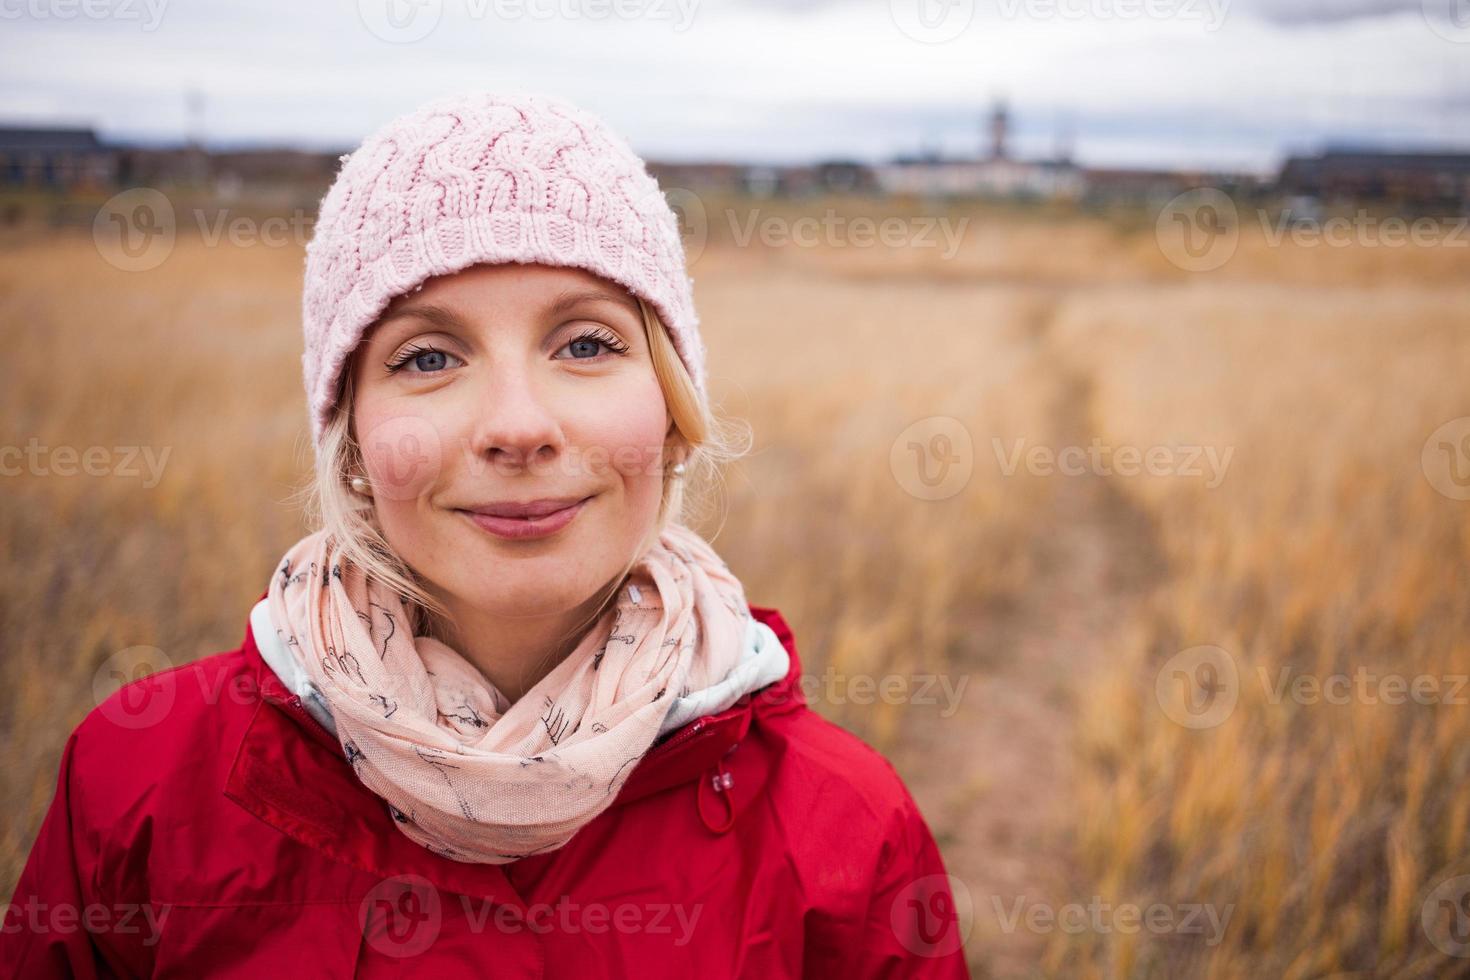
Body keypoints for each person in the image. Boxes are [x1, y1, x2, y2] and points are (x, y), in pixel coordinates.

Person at [2, 91, 971, 978]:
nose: (517, 424)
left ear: (673, 408)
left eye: (587, 342)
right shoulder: (141, 785)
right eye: (428, 355)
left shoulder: (848, 828)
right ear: (353, 440)